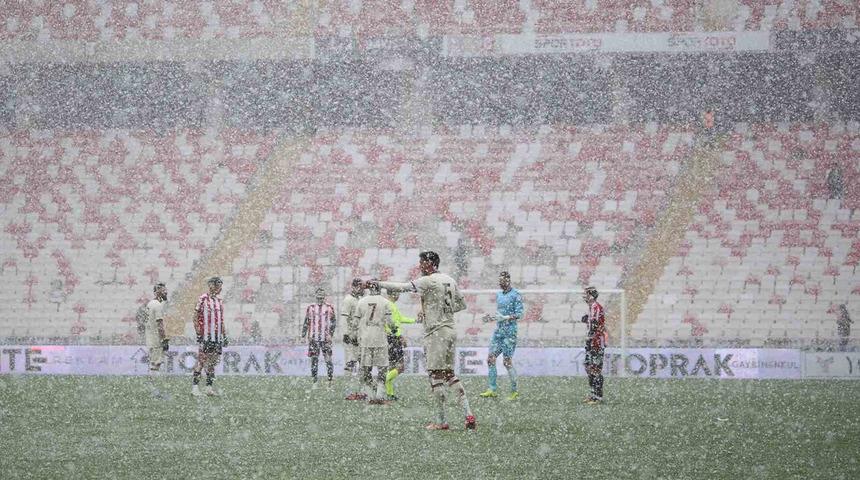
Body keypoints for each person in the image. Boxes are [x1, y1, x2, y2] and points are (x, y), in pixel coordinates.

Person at [376, 251, 476, 430]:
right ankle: (468, 415)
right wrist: (438, 309)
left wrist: (377, 284)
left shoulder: (429, 280)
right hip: (450, 330)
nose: (419, 266)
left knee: (436, 376)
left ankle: (441, 421)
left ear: (430, 263)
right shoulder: (450, 279)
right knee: (449, 374)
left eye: (421, 263)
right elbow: (462, 305)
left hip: (436, 332)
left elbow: (402, 287)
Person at [479, 271, 524, 400]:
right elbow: (500, 315)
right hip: (499, 331)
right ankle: (492, 389)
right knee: (490, 359)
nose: (500, 283)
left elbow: (520, 314)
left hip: (510, 332)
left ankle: (514, 392)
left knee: (507, 362)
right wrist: (491, 318)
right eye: (499, 281)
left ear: (508, 280)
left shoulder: (516, 295)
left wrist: (507, 317)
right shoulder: (499, 295)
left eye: (502, 280)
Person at [355, 281, 395, 404]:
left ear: (369, 289)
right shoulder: (385, 302)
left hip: (366, 339)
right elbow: (389, 321)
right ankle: (379, 394)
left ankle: (370, 395)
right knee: (382, 368)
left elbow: (355, 322)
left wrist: (356, 336)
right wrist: (393, 328)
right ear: (379, 288)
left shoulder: (361, 301)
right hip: (380, 339)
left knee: (366, 368)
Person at [192, 277, 228, 397]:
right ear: (211, 285)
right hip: (206, 336)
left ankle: (208, 387)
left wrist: (224, 335)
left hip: (216, 338)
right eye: (218, 285)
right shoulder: (203, 298)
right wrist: (198, 332)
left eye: (221, 285)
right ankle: (195, 387)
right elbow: (195, 316)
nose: (220, 288)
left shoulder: (219, 301)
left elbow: (221, 320)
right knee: (201, 361)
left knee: (212, 363)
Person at [384, 289, 416, 400]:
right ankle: (382, 380)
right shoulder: (390, 306)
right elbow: (391, 323)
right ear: (393, 294)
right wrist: (399, 336)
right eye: (397, 293)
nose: (398, 296)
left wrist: (415, 320)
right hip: (393, 338)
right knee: (401, 367)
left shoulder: (390, 305)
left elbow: (400, 319)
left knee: (392, 367)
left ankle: (390, 394)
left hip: (389, 338)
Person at [302, 287, 336, 387]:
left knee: (328, 359)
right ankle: (315, 381)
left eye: (322, 295)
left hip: (325, 338)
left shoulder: (329, 307)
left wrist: (330, 334)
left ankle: (330, 381)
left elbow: (334, 322)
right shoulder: (311, 307)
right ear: (316, 296)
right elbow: (306, 321)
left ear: (324, 296)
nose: (320, 297)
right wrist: (303, 335)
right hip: (314, 338)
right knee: (314, 359)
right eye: (319, 295)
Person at [581, 286, 606, 404]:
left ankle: (598, 396)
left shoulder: (596, 307)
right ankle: (593, 394)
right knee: (588, 366)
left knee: (595, 369)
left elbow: (596, 325)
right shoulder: (591, 308)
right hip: (591, 341)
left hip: (596, 341)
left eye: (586, 294)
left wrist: (591, 337)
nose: (584, 297)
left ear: (591, 296)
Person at [342, 278, 365, 400]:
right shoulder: (348, 300)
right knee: (350, 363)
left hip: (360, 336)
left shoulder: (361, 299)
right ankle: (349, 391)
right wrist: (346, 334)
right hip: (351, 336)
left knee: (362, 364)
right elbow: (344, 318)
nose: (362, 290)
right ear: (355, 287)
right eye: (361, 287)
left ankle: (359, 390)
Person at [145, 282, 169, 375]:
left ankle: (153, 385)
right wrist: (163, 339)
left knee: (153, 362)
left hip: (150, 337)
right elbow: (160, 324)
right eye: (163, 290)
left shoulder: (150, 304)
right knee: (156, 363)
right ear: (157, 291)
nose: (166, 292)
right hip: (156, 339)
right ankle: (153, 386)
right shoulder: (157, 306)